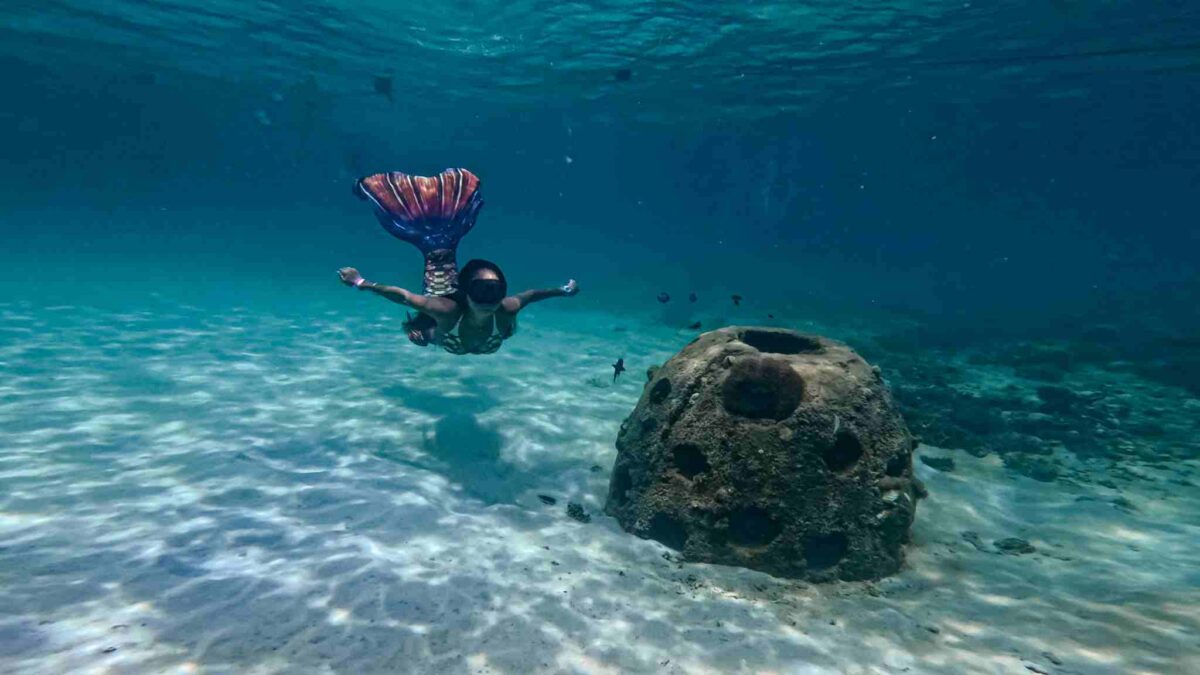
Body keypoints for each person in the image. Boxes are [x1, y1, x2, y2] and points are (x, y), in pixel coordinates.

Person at [337, 168, 578, 354]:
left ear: (502, 292)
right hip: (441, 316)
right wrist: (360, 282)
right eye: (481, 290)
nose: (487, 300)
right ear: (467, 291)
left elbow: (533, 295)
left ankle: (378, 193)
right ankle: (369, 189)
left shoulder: (505, 309)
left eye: (494, 291)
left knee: (436, 252)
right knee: (437, 260)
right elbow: (402, 296)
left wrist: (562, 291)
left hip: (442, 323)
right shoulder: (449, 311)